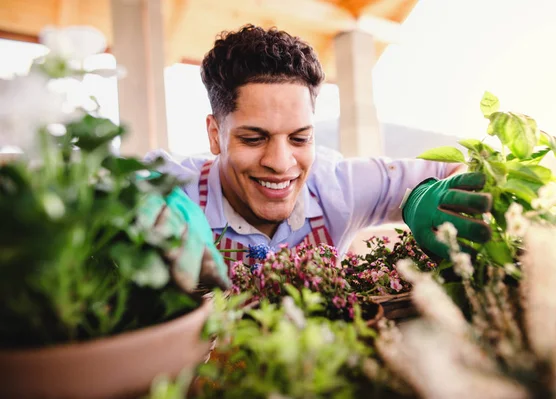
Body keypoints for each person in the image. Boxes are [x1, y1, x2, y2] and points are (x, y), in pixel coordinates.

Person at [147, 24, 492, 278]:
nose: (281, 163)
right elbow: (106, 183)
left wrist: (421, 197)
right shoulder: (173, 189)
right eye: (254, 139)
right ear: (215, 135)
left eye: (299, 139)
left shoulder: (338, 187)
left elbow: (459, 171)